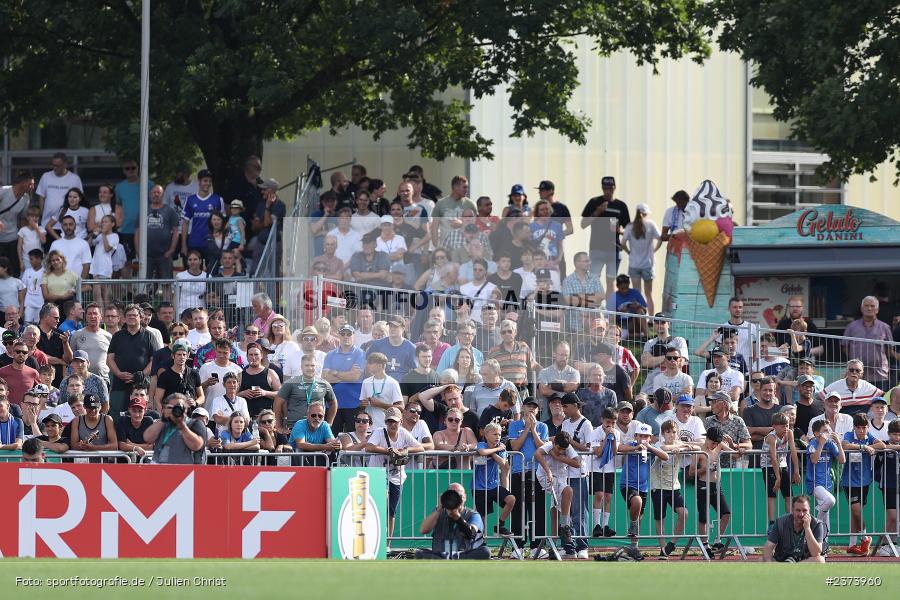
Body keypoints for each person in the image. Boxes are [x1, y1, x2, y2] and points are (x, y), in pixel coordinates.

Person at [366, 406, 425, 539]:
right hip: (378, 474)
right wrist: (390, 451)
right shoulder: (379, 432)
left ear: (400, 422)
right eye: (389, 421)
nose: (392, 424)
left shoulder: (403, 433)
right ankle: (374, 540)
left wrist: (404, 450)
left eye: (395, 421)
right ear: (385, 422)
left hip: (397, 477)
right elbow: (369, 447)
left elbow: (420, 447)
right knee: (379, 505)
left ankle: (388, 544)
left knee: (391, 512)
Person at [841, 412, 885, 555]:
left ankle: (852, 545)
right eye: (859, 428)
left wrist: (872, 446)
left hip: (865, 481)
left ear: (867, 428)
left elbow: (882, 445)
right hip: (849, 481)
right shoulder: (848, 435)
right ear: (854, 427)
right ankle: (866, 538)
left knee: (856, 514)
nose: (861, 431)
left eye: (864, 428)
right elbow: (845, 445)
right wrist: (864, 448)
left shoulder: (869, 437)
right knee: (856, 511)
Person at [619, 421, 668, 544]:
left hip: (644, 487)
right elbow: (620, 448)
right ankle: (633, 525)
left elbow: (665, 456)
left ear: (650, 438)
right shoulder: (631, 445)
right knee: (637, 501)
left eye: (646, 436)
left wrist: (650, 448)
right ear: (636, 436)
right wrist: (636, 448)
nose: (643, 439)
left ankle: (634, 546)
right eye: (640, 436)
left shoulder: (651, 449)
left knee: (639, 518)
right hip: (628, 484)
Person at [108, 304, 160, 416]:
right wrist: (118, 373)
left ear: (140, 317)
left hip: (141, 385)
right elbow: (110, 358)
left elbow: (154, 360)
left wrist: (142, 374)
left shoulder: (149, 336)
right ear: (125, 318)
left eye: (134, 315)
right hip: (119, 384)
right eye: (129, 315)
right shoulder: (117, 336)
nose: (131, 317)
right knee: (117, 416)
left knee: (140, 415)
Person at [651, 418, 691, 559]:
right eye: (668, 432)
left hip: (674, 487)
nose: (671, 435)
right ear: (663, 434)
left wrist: (683, 447)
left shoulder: (679, 443)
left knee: (684, 513)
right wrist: (678, 448)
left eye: (674, 432)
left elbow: (698, 447)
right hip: (658, 487)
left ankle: (672, 544)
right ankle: (662, 549)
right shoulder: (658, 444)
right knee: (660, 519)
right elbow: (663, 449)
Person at [689, 426, 732, 558]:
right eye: (712, 443)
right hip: (703, 485)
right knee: (704, 517)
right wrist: (706, 469)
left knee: (726, 513)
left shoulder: (719, 445)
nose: (714, 446)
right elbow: (691, 473)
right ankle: (705, 545)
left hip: (716, 486)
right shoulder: (700, 451)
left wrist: (733, 444)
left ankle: (717, 541)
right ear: (707, 439)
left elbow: (734, 453)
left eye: (717, 443)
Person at [558, 393, 592, 559]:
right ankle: (567, 545)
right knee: (566, 512)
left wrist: (570, 441)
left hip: (579, 473)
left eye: (566, 406)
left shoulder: (586, 424)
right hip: (564, 472)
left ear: (575, 406)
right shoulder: (564, 423)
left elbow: (589, 448)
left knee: (579, 511)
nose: (563, 410)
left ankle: (582, 545)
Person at [417, 485, 491, 560]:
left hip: (463, 553)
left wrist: (457, 517)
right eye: (453, 496)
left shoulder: (473, 514)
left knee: (485, 551)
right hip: (441, 552)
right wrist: (439, 509)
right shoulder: (439, 512)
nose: (456, 499)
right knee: (419, 553)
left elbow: (471, 533)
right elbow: (423, 530)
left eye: (459, 496)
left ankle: (450, 557)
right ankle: (448, 556)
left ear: (465, 497)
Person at [471, 422, 517, 537]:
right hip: (479, 487)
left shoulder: (501, 448)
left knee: (511, 499)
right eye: (494, 434)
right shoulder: (482, 444)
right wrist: (495, 451)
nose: (498, 437)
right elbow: (482, 452)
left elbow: (502, 463)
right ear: (486, 435)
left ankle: (500, 525)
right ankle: (481, 541)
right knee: (482, 516)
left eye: (499, 434)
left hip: (494, 485)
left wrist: (493, 452)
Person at [843, 296, 896, 393]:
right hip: (857, 375)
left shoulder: (885, 327)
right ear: (861, 308)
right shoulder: (851, 327)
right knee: (859, 404)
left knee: (879, 404)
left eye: (872, 306)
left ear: (877, 310)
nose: (869, 308)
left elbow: (889, 349)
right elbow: (845, 347)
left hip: (879, 375)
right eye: (866, 306)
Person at [806, 419, 846, 535]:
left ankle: (823, 544)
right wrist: (821, 444)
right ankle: (816, 523)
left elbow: (842, 460)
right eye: (825, 431)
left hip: (827, 483)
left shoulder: (830, 444)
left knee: (826, 515)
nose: (829, 432)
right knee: (830, 500)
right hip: (814, 483)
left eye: (830, 430)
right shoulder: (813, 444)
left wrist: (838, 443)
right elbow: (814, 460)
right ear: (816, 433)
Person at [761, 412, 801, 527]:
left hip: (783, 465)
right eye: (783, 426)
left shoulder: (789, 433)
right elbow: (773, 458)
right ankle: (772, 523)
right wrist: (778, 477)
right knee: (772, 494)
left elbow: (793, 451)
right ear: (774, 426)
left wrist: (796, 471)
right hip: (768, 466)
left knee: (788, 494)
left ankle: (790, 521)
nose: (786, 428)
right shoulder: (771, 437)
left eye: (787, 425)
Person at [144, 393, 207, 464]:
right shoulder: (162, 424)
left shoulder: (194, 423)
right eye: (171, 407)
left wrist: (182, 424)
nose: (175, 410)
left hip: (183, 470)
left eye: (178, 407)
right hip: (159, 468)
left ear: (185, 409)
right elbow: (147, 438)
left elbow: (197, 445)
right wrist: (164, 419)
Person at [762, 496, 826, 562]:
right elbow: (768, 547)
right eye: (798, 510)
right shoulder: (780, 522)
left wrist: (807, 528)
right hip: (782, 561)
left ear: (809, 510)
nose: (801, 514)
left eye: (805, 510)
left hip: (803, 562)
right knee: (762, 560)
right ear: (792, 510)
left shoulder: (817, 524)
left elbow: (816, 553)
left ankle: (790, 567)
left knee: (820, 560)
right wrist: (769, 563)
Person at [69, 303, 112, 385]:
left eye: (95, 313)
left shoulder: (108, 336)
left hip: (103, 380)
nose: (92, 316)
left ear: (101, 316)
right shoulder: (77, 335)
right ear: (86, 316)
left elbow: (111, 359)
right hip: (82, 381)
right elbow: (70, 358)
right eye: (90, 314)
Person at [238, 342, 282, 418]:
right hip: (245, 418)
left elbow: (281, 394)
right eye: (251, 355)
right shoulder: (240, 375)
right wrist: (243, 393)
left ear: (261, 356)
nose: (253, 357)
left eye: (256, 354)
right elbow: (232, 396)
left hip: (266, 419)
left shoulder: (270, 373)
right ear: (247, 356)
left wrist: (265, 393)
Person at [0, 338, 42, 407]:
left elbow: (41, 394)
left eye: (24, 352)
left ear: (27, 355)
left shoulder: (33, 373)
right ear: (13, 353)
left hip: (27, 413)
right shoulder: (2, 372)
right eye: (18, 351)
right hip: (7, 412)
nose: (21, 354)